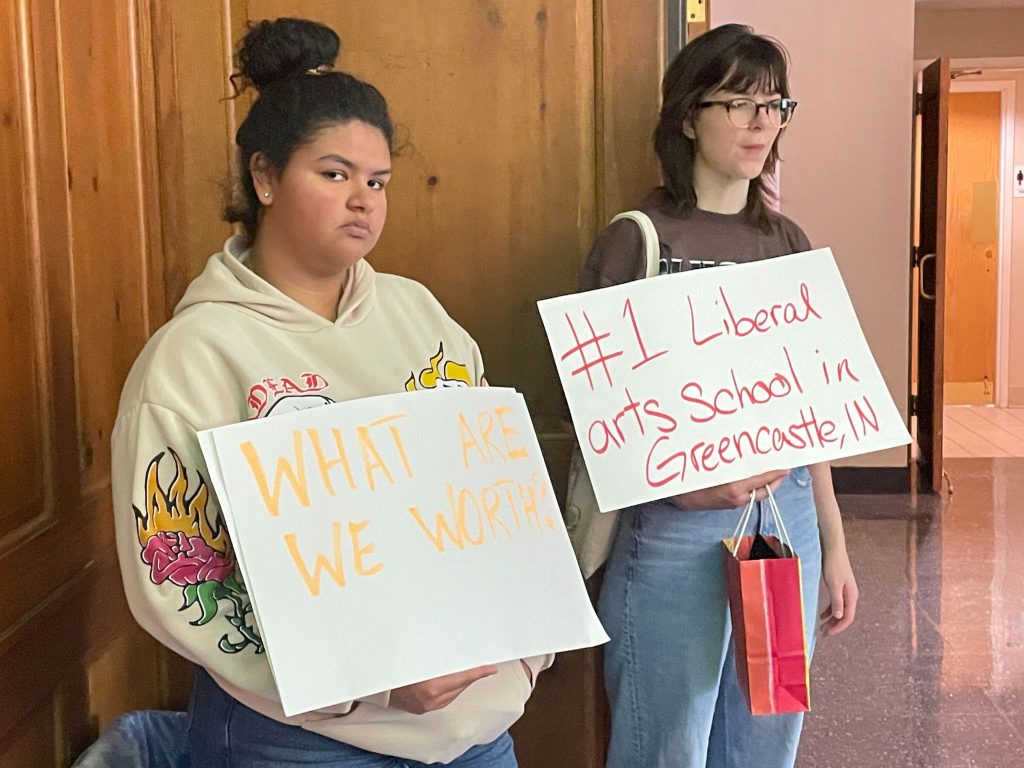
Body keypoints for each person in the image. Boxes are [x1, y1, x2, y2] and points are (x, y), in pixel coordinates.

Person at [112, 17, 549, 767]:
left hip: (470, 725)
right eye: (335, 174)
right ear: (265, 176)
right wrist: (368, 681)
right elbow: (182, 575)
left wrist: (520, 644)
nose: (364, 201)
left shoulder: (422, 318)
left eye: (378, 182)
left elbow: (494, 505)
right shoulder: (194, 357)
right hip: (306, 738)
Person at [580, 24, 859, 768]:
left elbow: (812, 409)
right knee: (666, 740)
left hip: (785, 512)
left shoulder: (789, 242)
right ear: (687, 115)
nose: (761, 122)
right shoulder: (637, 238)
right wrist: (687, 488)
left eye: (775, 104)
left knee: (770, 730)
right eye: (739, 102)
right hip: (675, 526)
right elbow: (604, 414)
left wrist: (831, 542)